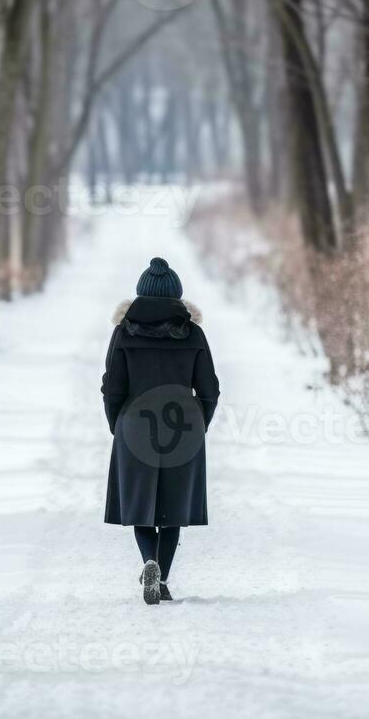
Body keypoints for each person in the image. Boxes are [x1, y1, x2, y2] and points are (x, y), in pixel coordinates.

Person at [101, 257, 221, 604]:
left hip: (135, 424)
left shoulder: (123, 332)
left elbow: (113, 387)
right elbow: (210, 388)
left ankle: (149, 562)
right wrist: (200, 423)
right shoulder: (194, 333)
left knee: (139, 505)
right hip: (183, 424)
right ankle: (162, 576)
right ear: (177, 296)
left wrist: (118, 425)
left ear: (140, 293)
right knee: (174, 508)